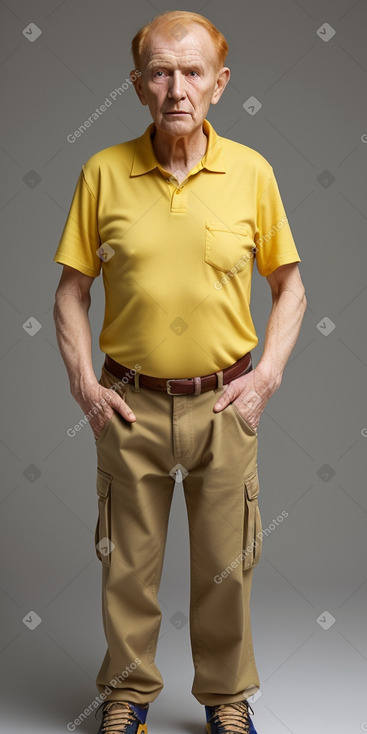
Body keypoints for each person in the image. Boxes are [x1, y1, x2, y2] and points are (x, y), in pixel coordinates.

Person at [53, 10, 307, 734]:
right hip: (128, 403)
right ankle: (127, 694)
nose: (176, 88)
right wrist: (83, 386)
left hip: (224, 405)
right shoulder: (102, 172)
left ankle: (226, 698)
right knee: (126, 565)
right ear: (137, 86)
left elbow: (290, 287)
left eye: (192, 72)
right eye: (159, 72)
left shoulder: (251, 173)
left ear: (219, 84)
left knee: (226, 564)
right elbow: (70, 292)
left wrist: (266, 381)